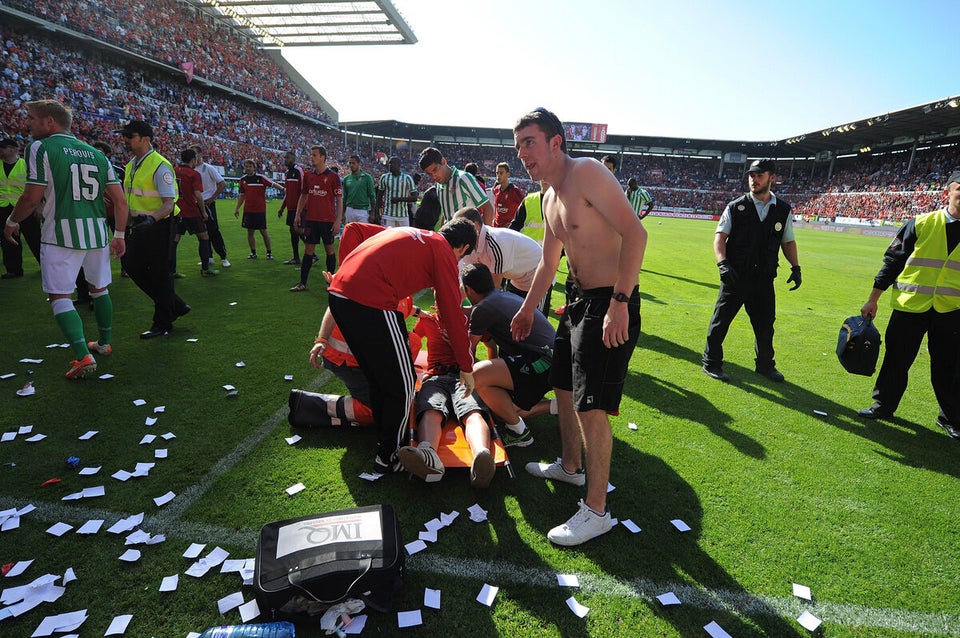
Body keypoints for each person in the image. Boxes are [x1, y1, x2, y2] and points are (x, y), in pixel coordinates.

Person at [510, 107, 646, 546]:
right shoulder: (549, 196)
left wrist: (621, 303)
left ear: (555, 142)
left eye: (529, 143)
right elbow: (549, 263)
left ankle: (596, 511)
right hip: (578, 301)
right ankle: (571, 467)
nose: (522, 155)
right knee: (564, 388)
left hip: (611, 301)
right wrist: (528, 308)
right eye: (517, 147)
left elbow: (636, 234)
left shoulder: (587, 173)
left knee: (592, 405)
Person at [323, 219, 478, 475]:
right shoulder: (442, 251)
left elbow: (353, 229)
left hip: (339, 296)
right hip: (370, 301)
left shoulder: (414, 232)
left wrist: (345, 273)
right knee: (404, 383)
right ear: (463, 247)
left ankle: (386, 442)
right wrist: (466, 365)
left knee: (379, 377)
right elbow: (451, 312)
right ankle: (390, 455)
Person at [2, 100, 128, 378]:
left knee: (60, 295)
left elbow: (31, 197)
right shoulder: (97, 154)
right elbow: (120, 201)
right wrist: (119, 234)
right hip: (97, 232)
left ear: (50, 122)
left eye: (32, 119)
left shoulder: (40, 147)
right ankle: (104, 343)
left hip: (60, 233)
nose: (29, 124)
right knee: (100, 289)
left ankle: (83, 355)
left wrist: (12, 221)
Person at [856, 170, 960, 439]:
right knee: (896, 361)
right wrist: (873, 299)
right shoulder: (921, 223)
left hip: (951, 311)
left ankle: (950, 418)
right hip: (910, 306)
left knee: (949, 367)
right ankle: (883, 406)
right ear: (947, 192)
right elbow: (892, 263)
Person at [701, 159, 801, 383]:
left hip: (764, 279)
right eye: (751, 175)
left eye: (759, 175)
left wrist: (796, 267)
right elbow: (720, 238)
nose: (754, 180)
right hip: (736, 277)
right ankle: (711, 362)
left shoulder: (783, 210)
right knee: (721, 322)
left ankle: (765, 366)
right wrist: (722, 263)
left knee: (766, 326)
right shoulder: (736, 207)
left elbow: (788, 242)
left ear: (771, 177)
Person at [398, 306, 496, 488]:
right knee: (431, 411)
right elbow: (412, 342)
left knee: (472, 413)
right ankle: (429, 456)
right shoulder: (428, 321)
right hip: (435, 377)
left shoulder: (471, 322)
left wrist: (488, 374)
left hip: (464, 376)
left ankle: (481, 457)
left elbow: (491, 345)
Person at [463, 263, 556, 449]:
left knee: (475, 375)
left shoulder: (483, 308)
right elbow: (479, 313)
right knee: (503, 408)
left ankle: (519, 433)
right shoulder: (499, 295)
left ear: (468, 289)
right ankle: (560, 406)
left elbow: (469, 351)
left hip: (543, 361)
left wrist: (460, 376)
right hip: (552, 360)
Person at [453, 206, 550, 314]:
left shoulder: (496, 242)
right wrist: (455, 305)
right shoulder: (470, 246)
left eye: (461, 228)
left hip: (539, 276)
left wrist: (470, 312)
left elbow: (493, 289)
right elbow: (467, 281)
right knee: (511, 319)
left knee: (533, 321)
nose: (457, 234)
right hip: (517, 278)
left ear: (475, 226)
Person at [291, 145, 342, 292]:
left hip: (327, 221)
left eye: (314, 155)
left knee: (330, 250)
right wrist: (297, 214)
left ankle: (331, 283)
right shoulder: (308, 176)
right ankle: (302, 283)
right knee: (308, 251)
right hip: (311, 220)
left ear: (323, 157)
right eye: (311, 155)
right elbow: (304, 195)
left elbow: (339, 199)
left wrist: (338, 220)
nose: (311, 157)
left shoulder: (333, 177)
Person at [418, 147, 494, 225]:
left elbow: (487, 207)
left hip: (467, 235)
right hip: (450, 235)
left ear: (443, 161)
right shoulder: (439, 185)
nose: (433, 176)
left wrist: (484, 236)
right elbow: (446, 216)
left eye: (435, 170)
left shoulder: (463, 178)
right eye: (429, 174)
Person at [172, 149, 217, 277]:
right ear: (193, 159)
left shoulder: (174, 170)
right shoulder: (193, 174)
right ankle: (205, 268)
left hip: (176, 211)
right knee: (204, 237)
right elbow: (197, 194)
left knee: (174, 240)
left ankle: (172, 271)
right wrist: (203, 211)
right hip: (190, 211)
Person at [0, 137, 40, 279]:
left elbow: (36, 187)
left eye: (3, 147)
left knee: (35, 238)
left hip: (25, 208)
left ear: (13, 149)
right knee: (7, 240)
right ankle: (14, 269)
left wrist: (38, 206)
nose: (1, 150)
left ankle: (46, 265)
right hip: (4, 208)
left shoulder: (26, 165)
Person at [235, 159, 282, 260]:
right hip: (248, 210)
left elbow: (273, 184)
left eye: (250, 166)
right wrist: (237, 208)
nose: (248, 168)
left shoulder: (261, 178)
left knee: (263, 232)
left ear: (254, 167)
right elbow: (242, 196)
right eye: (246, 166)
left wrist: (284, 189)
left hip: (259, 210)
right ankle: (253, 253)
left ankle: (269, 253)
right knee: (250, 232)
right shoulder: (243, 180)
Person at [191, 146, 230, 268]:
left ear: (201, 154)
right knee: (202, 231)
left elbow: (222, 183)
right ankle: (208, 257)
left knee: (213, 231)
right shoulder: (191, 169)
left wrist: (212, 198)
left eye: (195, 153)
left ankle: (223, 257)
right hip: (196, 204)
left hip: (208, 203)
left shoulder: (208, 168)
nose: (193, 156)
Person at [277, 151, 305, 265]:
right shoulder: (287, 173)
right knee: (293, 232)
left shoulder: (299, 171)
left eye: (287, 158)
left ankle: (312, 254)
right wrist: (282, 208)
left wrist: (302, 208)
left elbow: (304, 190)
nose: (285, 159)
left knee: (298, 231)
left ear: (293, 159)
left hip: (298, 208)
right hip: (291, 209)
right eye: (285, 157)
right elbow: (288, 193)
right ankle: (296, 258)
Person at [377, 156, 418, 228]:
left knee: (404, 238)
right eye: (389, 163)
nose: (390, 165)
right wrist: (377, 213)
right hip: (388, 214)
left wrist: (399, 199)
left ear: (399, 165)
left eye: (392, 163)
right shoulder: (384, 177)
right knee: (387, 237)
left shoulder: (407, 178)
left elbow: (414, 197)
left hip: (403, 215)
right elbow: (379, 196)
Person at [342, 155, 376, 225]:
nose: (351, 165)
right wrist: (342, 214)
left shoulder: (367, 177)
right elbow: (344, 198)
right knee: (350, 234)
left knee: (363, 234)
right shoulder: (346, 178)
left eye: (353, 163)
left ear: (359, 164)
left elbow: (372, 196)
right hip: (349, 210)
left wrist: (372, 213)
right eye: (350, 163)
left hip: (362, 210)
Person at [493, 162, 526, 228]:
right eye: (497, 173)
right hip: (496, 229)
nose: (498, 175)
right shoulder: (496, 189)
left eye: (501, 173)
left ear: (508, 174)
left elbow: (526, 205)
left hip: (508, 230)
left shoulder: (515, 191)